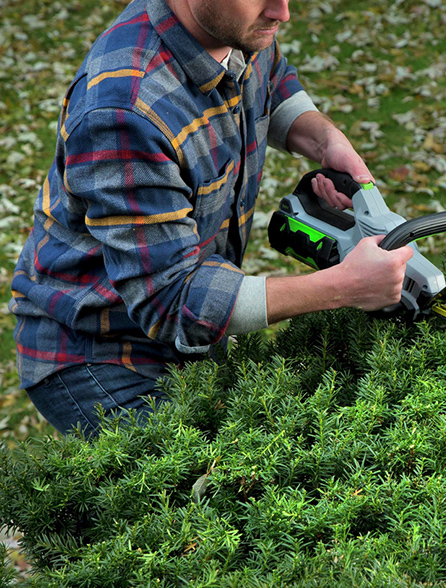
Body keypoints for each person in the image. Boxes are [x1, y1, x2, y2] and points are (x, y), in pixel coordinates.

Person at [9, 0, 413, 436]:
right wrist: (344, 287)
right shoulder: (124, 112)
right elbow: (172, 300)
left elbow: (272, 79)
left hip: (186, 329)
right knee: (218, 489)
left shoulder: (235, 29)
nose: (282, 12)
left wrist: (323, 139)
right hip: (100, 355)